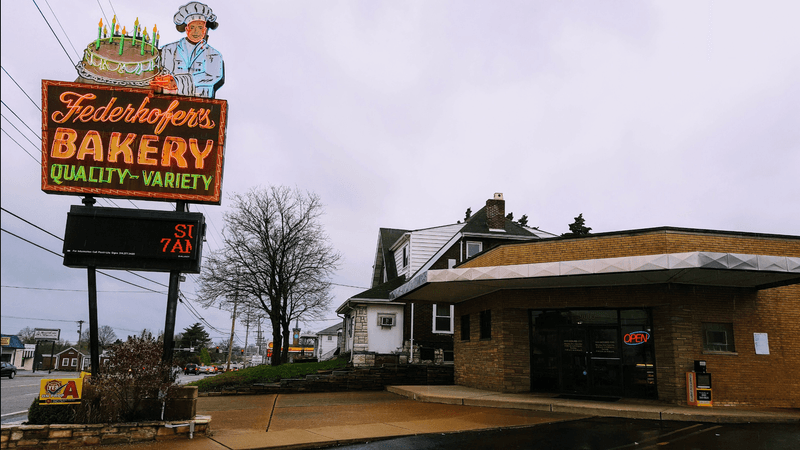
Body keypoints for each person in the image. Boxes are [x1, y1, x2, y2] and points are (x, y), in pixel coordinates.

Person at [152, 2, 224, 98]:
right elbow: (163, 74)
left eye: (200, 27)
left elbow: (213, 76)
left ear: (205, 30)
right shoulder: (169, 50)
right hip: (170, 104)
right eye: (192, 27)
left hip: (201, 107)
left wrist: (178, 81)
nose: (196, 32)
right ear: (186, 29)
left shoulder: (214, 55)